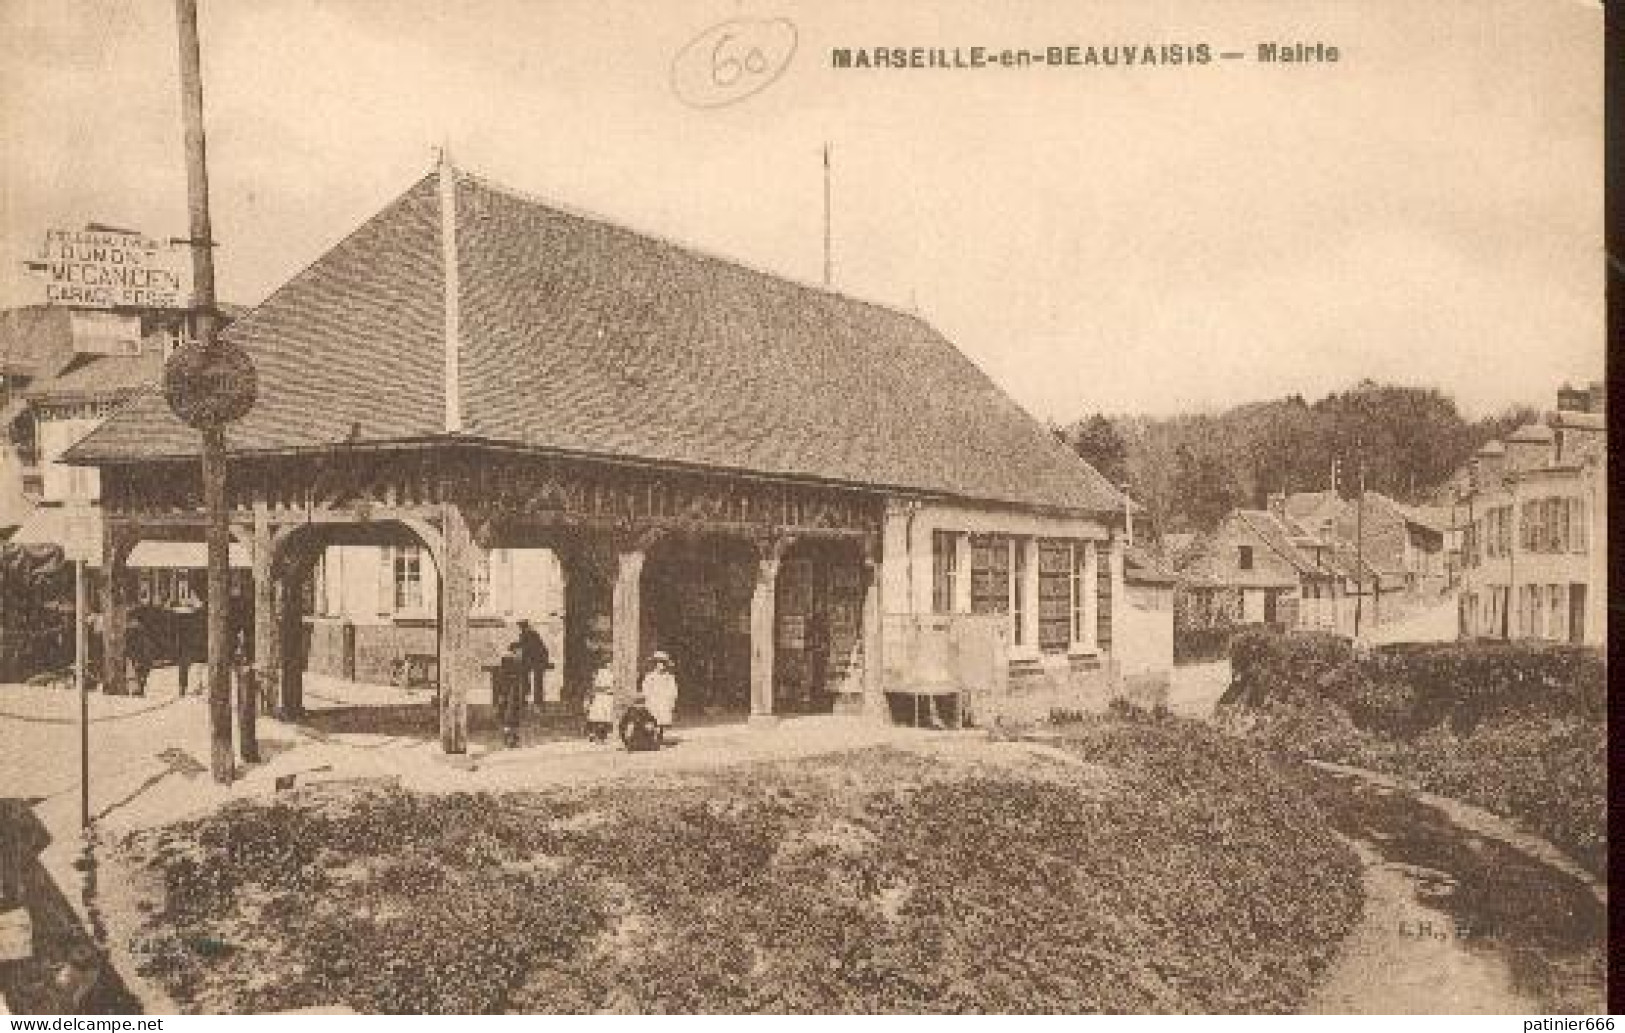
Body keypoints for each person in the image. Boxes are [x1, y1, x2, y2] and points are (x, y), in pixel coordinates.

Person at [640, 651, 678, 744]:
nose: (661, 666)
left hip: (664, 700)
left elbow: (673, 689)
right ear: (655, 665)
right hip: (653, 700)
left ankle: (660, 736)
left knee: (662, 720)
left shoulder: (669, 677)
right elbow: (646, 688)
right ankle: (652, 738)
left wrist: (671, 699)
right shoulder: (650, 677)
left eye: (663, 663)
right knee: (653, 719)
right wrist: (648, 697)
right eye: (658, 663)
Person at [515, 620, 550, 706]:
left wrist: (516, 646)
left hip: (539, 659)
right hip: (536, 659)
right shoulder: (529, 634)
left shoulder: (530, 634)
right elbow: (525, 648)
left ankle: (536, 700)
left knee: (535, 679)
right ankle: (529, 698)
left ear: (524, 627)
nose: (521, 629)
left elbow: (528, 648)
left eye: (522, 627)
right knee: (526, 676)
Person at [584, 661, 617, 744]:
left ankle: (602, 737)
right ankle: (595, 735)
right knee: (598, 717)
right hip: (601, 697)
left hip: (608, 697)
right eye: (609, 664)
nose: (610, 665)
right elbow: (595, 686)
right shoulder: (601, 672)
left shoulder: (612, 673)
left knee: (605, 718)